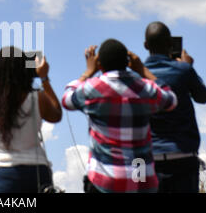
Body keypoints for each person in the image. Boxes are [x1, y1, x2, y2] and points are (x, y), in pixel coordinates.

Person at [61, 39, 178, 193]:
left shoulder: (92, 89)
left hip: (105, 180)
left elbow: (67, 99)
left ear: (100, 65)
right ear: (128, 62)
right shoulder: (146, 89)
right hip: (140, 176)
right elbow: (171, 100)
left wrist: (88, 72)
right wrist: (144, 71)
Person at [0, 46, 62, 193]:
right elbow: (56, 114)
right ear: (24, 71)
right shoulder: (37, 98)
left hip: (3, 176)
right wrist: (44, 78)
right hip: (37, 174)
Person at [143, 22, 206, 193]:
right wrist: (188, 67)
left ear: (145, 45)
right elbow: (203, 97)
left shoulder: (136, 76)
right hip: (182, 157)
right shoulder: (183, 70)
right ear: (170, 45)